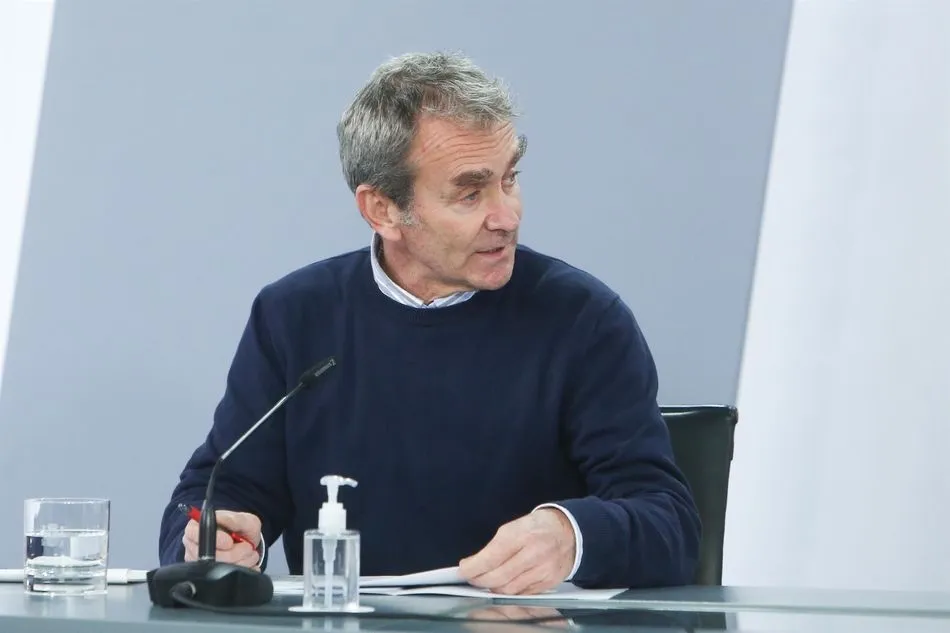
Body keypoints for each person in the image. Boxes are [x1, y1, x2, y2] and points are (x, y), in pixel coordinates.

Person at [158, 51, 701, 594]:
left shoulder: (583, 319)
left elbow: (670, 526)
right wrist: (218, 534)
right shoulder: (294, 314)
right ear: (383, 211)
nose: (507, 217)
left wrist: (573, 535)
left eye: (509, 179)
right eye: (470, 193)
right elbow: (214, 490)